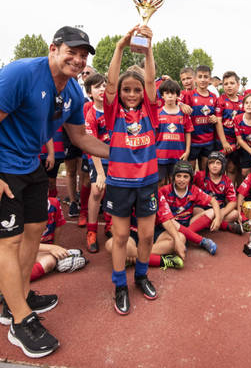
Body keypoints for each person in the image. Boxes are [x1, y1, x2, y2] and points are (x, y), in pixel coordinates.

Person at [0, 25, 107, 358]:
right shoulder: (22, 72)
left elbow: (80, 138)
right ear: (53, 48)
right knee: (7, 240)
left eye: (84, 55)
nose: (78, 58)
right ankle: (20, 319)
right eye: (72, 51)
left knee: (34, 231)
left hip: (29, 164)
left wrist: (125, 153)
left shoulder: (72, 91)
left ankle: (20, 295)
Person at [102, 25, 160, 316]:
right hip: (120, 184)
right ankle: (119, 285)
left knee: (147, 236)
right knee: (122, 237)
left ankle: (140, 276)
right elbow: (110, 84)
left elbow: (150, 81)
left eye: (136, 89)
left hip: (147, 183)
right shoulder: (114, 113)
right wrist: (119, 48)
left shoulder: (150, 110)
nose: (132, 94)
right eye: (127, 90)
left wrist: (148, 50)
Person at [83, 73, 110, 253]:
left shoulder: (115, 109)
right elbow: (92, 146)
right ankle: (91, 231)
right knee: (97, 190)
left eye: (104, 85)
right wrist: (100, 172)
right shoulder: (91, 114)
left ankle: (110, 224)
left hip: (117, 159)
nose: (102, 89)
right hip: (98, 159)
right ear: (90, 92)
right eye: (97, 87)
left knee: (116, 192)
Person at [156, 78, 193, 186]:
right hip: (160, 155)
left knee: (175, 181)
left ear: (177, 95)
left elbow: (188, 132)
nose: (170, 96)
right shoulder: (158, 113)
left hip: (179, 155)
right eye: (167, 93)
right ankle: (160, 203)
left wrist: (187, 151)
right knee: (161, 182)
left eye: (173, 93)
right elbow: (154, 135)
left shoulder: (183, 113)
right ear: (162, 96)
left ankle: (173, 202)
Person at [181, 65, 218, 172]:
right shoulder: (188, 95)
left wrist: (215, 118)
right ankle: (192, 189)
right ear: (195, 79)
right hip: (193, 141)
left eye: (206, 77)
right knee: (190, 171)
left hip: (208, 141)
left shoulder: (213, 97)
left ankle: (204, 189)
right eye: (200, 76)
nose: (203, 79)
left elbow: (217, 116)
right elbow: (174, 101)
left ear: (210, 79)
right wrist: (180, 104)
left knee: (204, 172)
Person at [193, 151, 240, 233]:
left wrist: (221, 214)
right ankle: (224, 225)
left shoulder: (227, 181)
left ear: (223, 166)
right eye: (212, 163)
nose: (214, 166)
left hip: (219, 209)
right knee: (195, 210)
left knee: (235, 214)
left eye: (218, 163)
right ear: (208, 165)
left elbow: (233, 202)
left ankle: (208, 223)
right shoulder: (199, 175)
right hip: (202, 209)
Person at [214, 71, 243, 183]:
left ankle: (237, 194)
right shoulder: (220, 100)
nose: (229, 86)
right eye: (226, 84)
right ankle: (227, 195)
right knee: (225, 168)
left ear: (238, 84)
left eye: (232, 83)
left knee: (237, 168)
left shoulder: (243, 101)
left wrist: (241, 140)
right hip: (224, 141)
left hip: (238, 142)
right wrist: (224, 142)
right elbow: (218, 122)